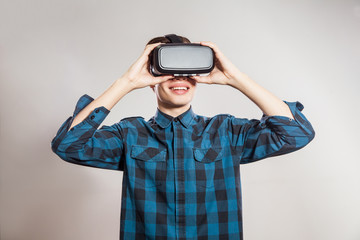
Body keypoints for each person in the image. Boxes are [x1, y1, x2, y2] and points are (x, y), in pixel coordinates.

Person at [51, 34, 315, 240]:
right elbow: (68, 145)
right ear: (151, 78)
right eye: (168, 68)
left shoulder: (227, 132)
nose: (179, 77)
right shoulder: (129, 134)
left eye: (188, 68)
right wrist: (126, 82)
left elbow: (297, 133)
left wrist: (236, 78)